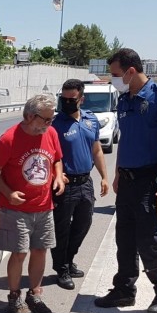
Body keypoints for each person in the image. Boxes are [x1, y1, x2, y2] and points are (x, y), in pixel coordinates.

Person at [93, 48, 157, 313]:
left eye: (116, 74)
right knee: (125, 238)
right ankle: (124, 289)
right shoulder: (125, 99)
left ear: (131, 71)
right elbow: (127, 139)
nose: (114, 79)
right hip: (129, 179)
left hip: (150, 178)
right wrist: (118, 172)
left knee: (149, 240)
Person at [0, 94, 65, 313]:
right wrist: (9, 193)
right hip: (17, 209)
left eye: (52, 119)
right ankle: (14, 297)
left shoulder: (50, 133)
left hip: (44, 206)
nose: (50, 124)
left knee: (40, 250)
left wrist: (58, 177)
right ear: (30, 116)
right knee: (20, 253)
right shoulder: (9, 139)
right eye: (46, 119)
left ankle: (35, 294)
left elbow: (57, 159)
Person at [50, 79, 109, 290]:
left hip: (86, 182)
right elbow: (48, 155)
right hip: (65, 185)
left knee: (84, 224)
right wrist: (56, 175)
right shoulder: (55, 125)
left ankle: (69, 258)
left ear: (81, 99)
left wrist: (104, 176)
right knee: (61, 229)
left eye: (71, 99)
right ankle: (61, 268)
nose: (66, 103)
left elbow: (97, 150)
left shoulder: (90, 120)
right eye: (63, 99)